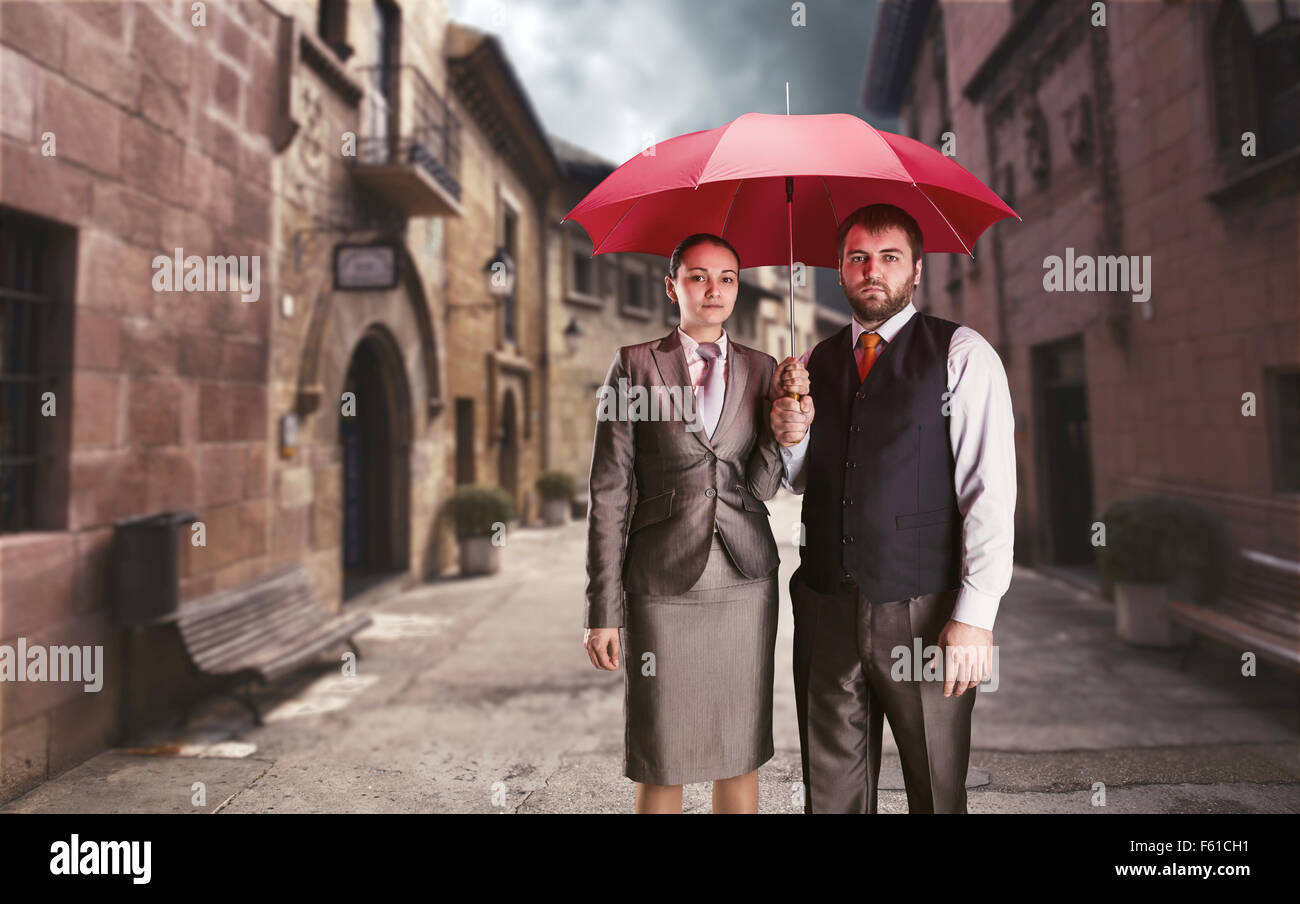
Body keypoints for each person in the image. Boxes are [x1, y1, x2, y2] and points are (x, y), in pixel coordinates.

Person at [768, 203, 1016, 813]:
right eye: (857, 258)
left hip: (923, 609)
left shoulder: (961, 353)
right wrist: (791, 435)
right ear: (840, 269)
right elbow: (803, 482)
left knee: (934, 786)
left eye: (888, 257)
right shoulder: (813, 365)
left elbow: (991, 489)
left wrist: (976, 614)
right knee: (831, 796)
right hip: (826, 605)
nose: (871, 270)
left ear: (917, 270)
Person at [583, 233, 786, 814]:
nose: (714, 289)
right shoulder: (633, 365)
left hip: (746, 581)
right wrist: (604, 611)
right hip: (661, 584)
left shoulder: (764, 368)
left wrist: (784, 428)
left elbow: (765, 485)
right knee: (662, 753)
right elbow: (609, 491)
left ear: (738, 287)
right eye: (699, 277)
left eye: (727, 277)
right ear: (672, 286)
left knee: (739, 749)